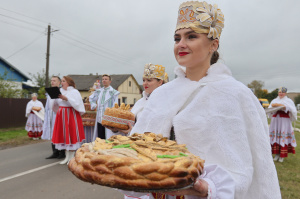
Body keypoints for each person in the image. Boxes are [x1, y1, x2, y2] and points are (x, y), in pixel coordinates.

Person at [125, 1, 281, 198]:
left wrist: (212, 187)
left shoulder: (237, 94)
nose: (181, 44)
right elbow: (136, 149)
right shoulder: (162, 94)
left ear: (213, 45)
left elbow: (256, 163)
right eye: (177, 38)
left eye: (191, 37)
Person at [51, 76, 85, 164]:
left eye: (63, 81)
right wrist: (54, 97)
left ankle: (72, 157)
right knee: (64, 135)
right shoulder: (60, 91)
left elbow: (77, 103)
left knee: (71, 134)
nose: (62, 83)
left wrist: (66, 98)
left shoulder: (74, 91)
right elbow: (55, 104)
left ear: (68, 82)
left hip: (71, 114)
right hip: (61, 114)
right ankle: (67, 157)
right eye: (61, 81)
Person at [269, 87, 297, 162]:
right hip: (275, 120)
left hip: (284, 120)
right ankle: (276, 154)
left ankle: (282, 155)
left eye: (282, 92)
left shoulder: (288, 101)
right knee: (276, 136)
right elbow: (270, 108)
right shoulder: (274, 100)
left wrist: (285, 108)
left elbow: (293, 110)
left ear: (285, 93)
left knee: (282, 136)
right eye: (279, 92)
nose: (281, 94)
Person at [89, 74, 120, 139]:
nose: (104, 80)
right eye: (103, 79)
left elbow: (115, 105)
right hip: (99, 118)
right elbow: (91, 98)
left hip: (108, 118)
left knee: (108, 136)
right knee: (100, 136)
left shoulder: (113, 92)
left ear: (110, 81)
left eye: (106, 79)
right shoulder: (99, 91)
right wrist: (94, 105)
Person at [42, 76, 65, 159]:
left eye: (54, 81)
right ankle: (55, 152)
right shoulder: (49, 92)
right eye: (51, 80)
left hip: (58, 115)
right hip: (51, 115)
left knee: (59, 133)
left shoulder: (62, 91)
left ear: (59, 82)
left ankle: (62, 152)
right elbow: (48, 105)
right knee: (52, 133)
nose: (52, 82)